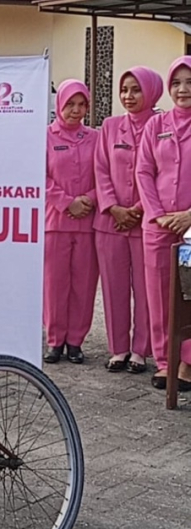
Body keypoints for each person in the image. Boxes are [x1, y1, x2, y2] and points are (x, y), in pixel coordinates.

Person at [94, 67, 163, 374]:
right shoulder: (110, 126)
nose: (129, 96)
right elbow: (100, 169)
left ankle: (141, 350)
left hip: (146, 221)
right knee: (113, 287)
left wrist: (137, 209)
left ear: (151, 91)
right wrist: (113, 207)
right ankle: (118, 348)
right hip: (110, 222)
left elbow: (161, 172)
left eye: (136, 89)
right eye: (124, 90)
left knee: (147, 289)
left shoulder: (162, 126)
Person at [137, 56, 191, 391]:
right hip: (158, 226)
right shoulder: (156, 126)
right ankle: (164, 361)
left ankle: (187, 362)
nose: (183, 89)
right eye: (176, 83)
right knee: (159, 297)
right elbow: (144, 171)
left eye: (190, 82)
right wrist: (157, 214)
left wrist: (189, 215)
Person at [43, 80, 99, 365]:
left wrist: (89, 199)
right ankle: (55, 340)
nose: (76, 110)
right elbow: (39, 176)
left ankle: (76, 341)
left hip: (88, 222)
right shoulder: (45, 136)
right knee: (55, 285)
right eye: (70, 104)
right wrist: (67, 202)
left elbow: (106, 174)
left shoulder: (96, 138)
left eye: (81, 105)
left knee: (84, 284)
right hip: (55, 222)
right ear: (59, 105)